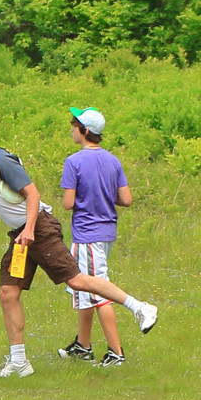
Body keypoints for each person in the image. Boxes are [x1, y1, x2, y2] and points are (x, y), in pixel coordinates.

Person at [0, 114, 158, 378]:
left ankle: (140, 308)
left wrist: (31, 229)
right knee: (8, 293)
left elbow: (32, 193)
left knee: (77, 281)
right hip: (21, 235)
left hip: (39, 230)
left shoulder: (2, 161)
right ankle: (19, 361)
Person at [56, 107, 134, 367]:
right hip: (107, 232)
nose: (71, 128)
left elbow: (68, 203)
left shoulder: (74, 161)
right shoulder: (113, 160)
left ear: (85, 131)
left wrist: (84, 197)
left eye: (74, 125)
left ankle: (116, 352)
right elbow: (126, 199)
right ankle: (83, 345)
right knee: (86, 286)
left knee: (99, 290)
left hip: (86, 234)